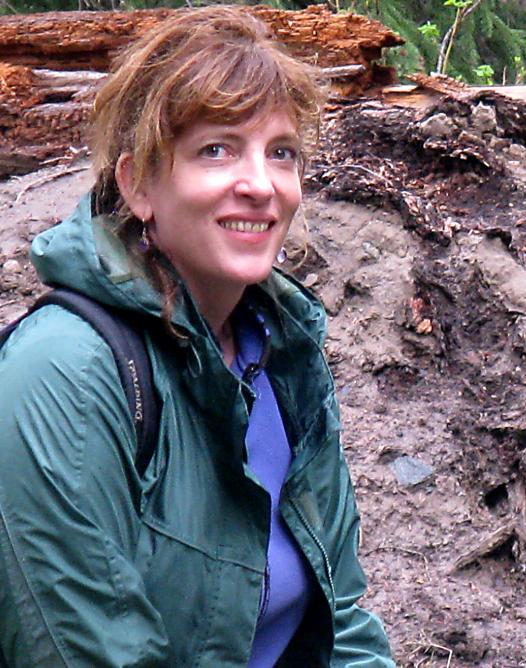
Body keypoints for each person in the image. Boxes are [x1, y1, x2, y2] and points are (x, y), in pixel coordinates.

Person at [0, 7, 394, 666]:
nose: (259, 186)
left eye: (281, 153)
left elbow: (342, 617)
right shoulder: (61, 373)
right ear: (138, 184)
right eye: (217, 149)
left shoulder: (284, 357)